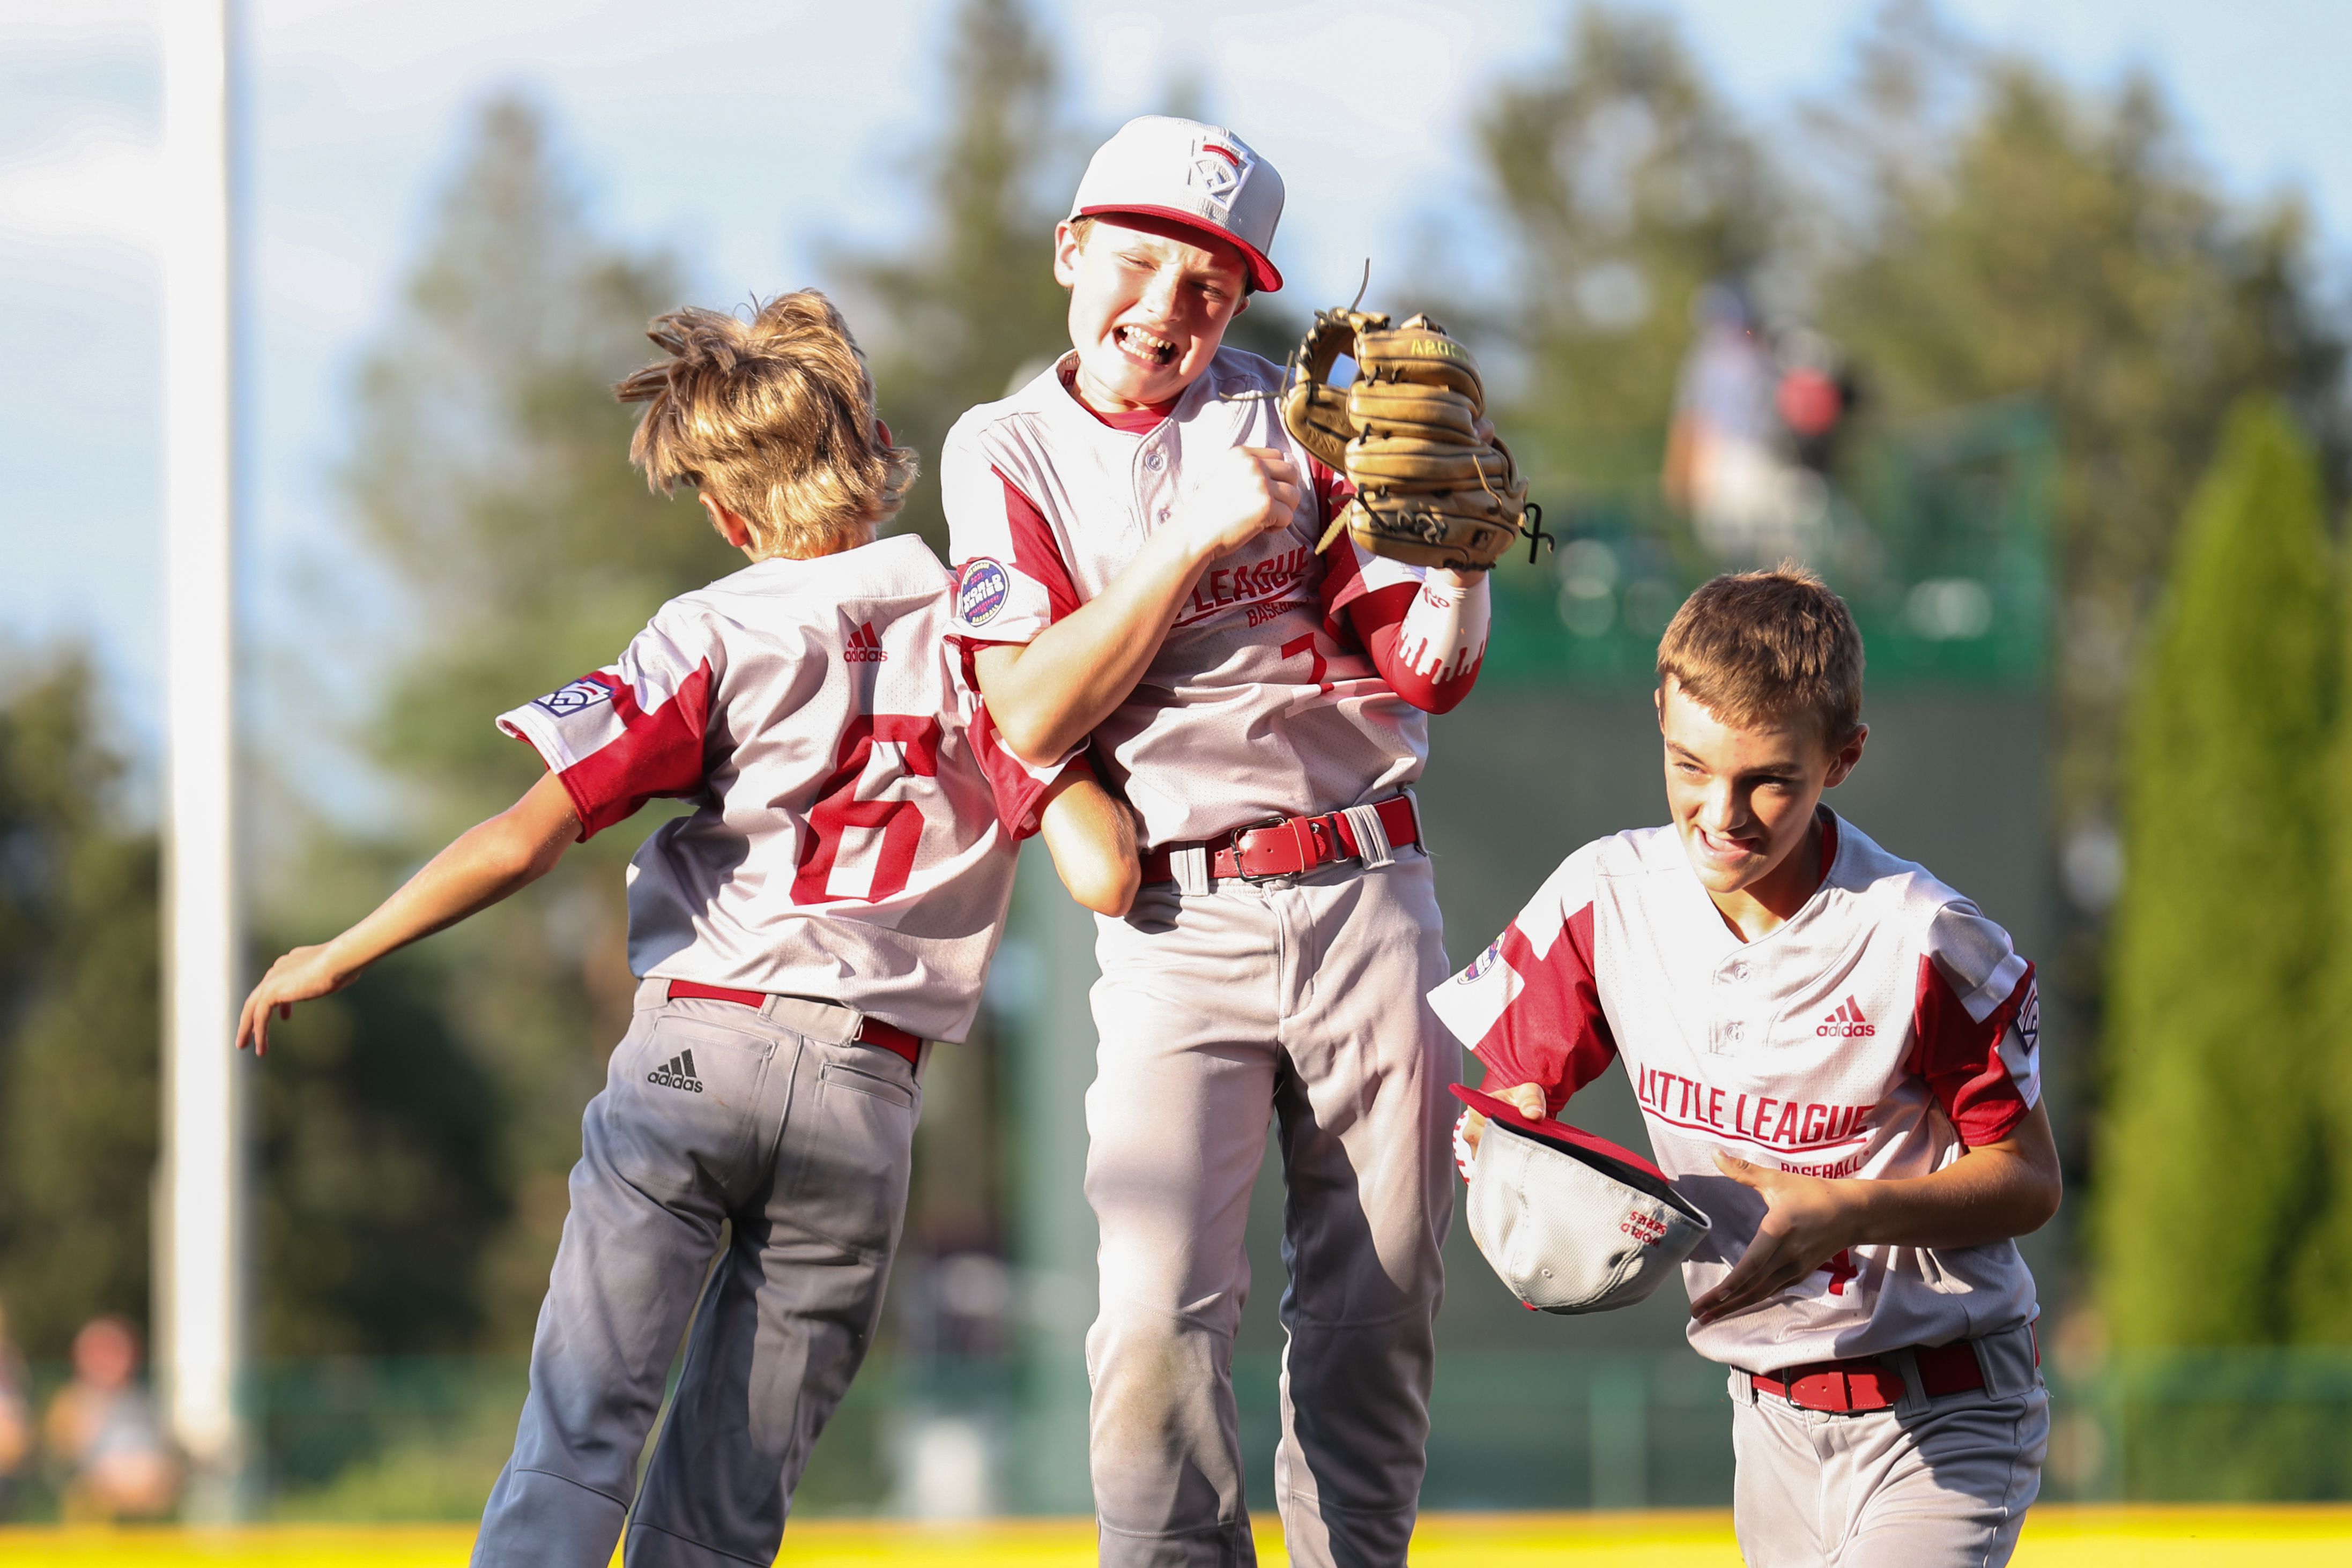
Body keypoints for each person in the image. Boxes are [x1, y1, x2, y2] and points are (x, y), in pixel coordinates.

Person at [238, 290, 1130, 1567]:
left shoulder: (713, 627)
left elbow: (523, 835)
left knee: (580, 1429)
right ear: (876, 448)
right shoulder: (989, 628)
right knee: (723, 1506)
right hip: (870, 1084)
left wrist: (336, 949)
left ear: (724, 509)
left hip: (696, 1052)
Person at [943, 115, 1493, 1567]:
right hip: (1180, 920)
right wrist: (1186, 540)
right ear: (1070, 250)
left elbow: (1418, 669)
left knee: (1382, 1302)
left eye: (1208, 285)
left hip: (1369, 879)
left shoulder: (1303, 422)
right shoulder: (1007, 448)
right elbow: (1028, 698)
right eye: (1138, 264)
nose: (1167, 311)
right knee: (1149, 1317)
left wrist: (1452, 569)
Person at [1438, 567, 2059, 1568]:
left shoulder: (1922, 937)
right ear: (1657, 717)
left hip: (1944, 1407)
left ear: (1843, 757)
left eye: (1768, 777)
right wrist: (1511, 1148)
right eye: (1689, 765)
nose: (1720, 812)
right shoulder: (1604, 895)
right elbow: (1510, 1096)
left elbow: (2029, 1182)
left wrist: (1844, 1208)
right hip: (1763, 1418)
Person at [42, 1317, 179, 1521]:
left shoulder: (143, 1401)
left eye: (115, 1351)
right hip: (97, 1506)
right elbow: (59, 1462)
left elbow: (167, 1456)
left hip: (150, 1504)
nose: (108, 1361)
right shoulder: (69, 1403)